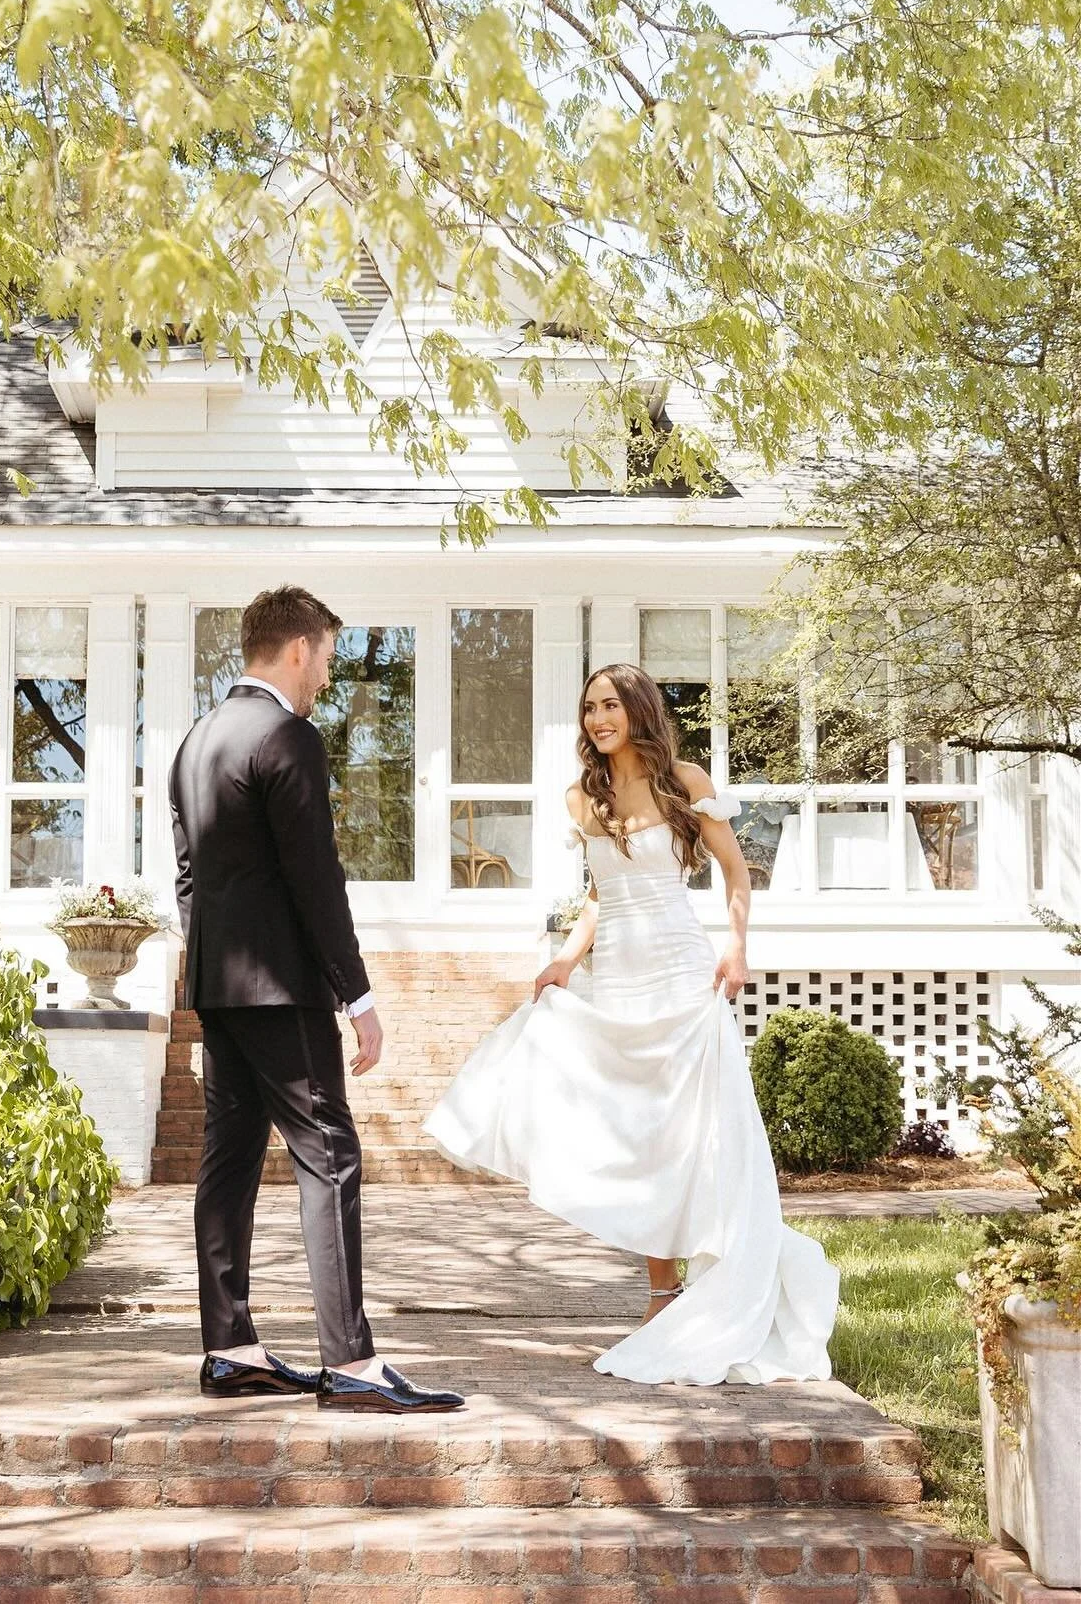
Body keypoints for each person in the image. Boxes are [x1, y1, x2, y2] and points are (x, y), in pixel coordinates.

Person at [424, 662, 838, 1385]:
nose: (597, 718)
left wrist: (737, 947)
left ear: (639, 709)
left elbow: (736, 875)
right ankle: (660, 1293)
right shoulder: (585, 798)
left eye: (610, 704)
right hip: (617, 973)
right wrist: (565, 960)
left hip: (682, 972)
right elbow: (598, 895)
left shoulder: (689, 783)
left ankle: (716, 1279)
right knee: (640, 1132)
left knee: (691, 1132)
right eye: (589, 707)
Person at [170, 584, 465, 1414]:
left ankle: (229, 1347)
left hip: (218, 988)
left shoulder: (195, 741)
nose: (327, 677)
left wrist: (212, 967)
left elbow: (190, 880)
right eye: (327, 658)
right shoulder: (288, 737)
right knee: (329, 1157)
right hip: (284, 990)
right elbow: (315, 879)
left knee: (226, 1165)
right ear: (297, 649)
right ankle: (352, 1364)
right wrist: (356, 993)